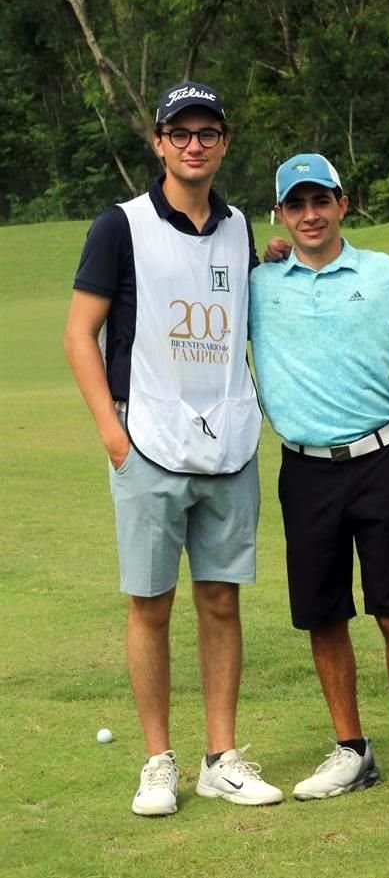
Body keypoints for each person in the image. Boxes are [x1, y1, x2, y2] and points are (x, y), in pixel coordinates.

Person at [64, 81, 283, 815]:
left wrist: (273, 251)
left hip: (228, 444)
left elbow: (247, 302)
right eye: (180, 132)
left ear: (224, 141)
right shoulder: (119, 225)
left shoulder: (241, 226)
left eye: (208, 132)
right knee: (149, 604)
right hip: (147, 441)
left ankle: (221, 756)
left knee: (221, 600)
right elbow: (79, 333)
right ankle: (158, 761)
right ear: (158, 141)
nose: (195, 144)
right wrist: (111, 433)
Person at [249, 153, 389, 802]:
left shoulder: (386, 274)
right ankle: (352, 749)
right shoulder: (261, 283)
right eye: (295, 205)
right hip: (304, 470)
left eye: (319, 201)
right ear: (280, 214)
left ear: (342, 203)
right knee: (322, 613)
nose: (309, 215)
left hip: (381, 460)